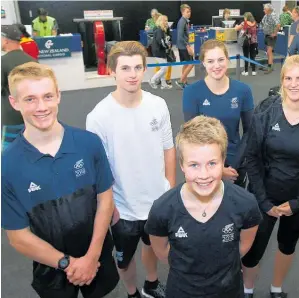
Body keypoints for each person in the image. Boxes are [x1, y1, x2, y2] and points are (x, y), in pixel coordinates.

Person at [1, 62, 119, 298]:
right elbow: (17, 236)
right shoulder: (8, 165)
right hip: (51, 271)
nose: (41, 107)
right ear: (14, 103)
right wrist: (67, 264)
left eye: (47, 96)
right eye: (30, 99)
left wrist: (92, 257)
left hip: (98, 258)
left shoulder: (89, 143)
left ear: (58, 97)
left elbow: (106, 201)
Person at [86, 41, 176, 298]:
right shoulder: (98, 116)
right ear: (112, 71)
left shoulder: (158, 104)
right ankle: (132, 292)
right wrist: (110, 206)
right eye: (125, 68)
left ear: (145, 69)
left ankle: (151, 283)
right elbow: (98, 168)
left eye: (138, 67)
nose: (132, 74)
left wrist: (168, 188)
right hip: (122, 208)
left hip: (157, 201)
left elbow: (168, 149)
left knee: (152, 246)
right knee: (124, 260)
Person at [242, 55, 299, 298]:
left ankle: (276, 289)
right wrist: (264, 202)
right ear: (282, 80)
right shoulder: (266, 110)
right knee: (253, 249)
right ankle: (247, 290)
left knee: (287, 244)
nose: (294, 84)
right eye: (288, 78)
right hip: (263, 197)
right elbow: (252, 157)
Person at [145, 115, 262, 298]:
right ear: (182, 165)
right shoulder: (163, 209)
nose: (204, 174)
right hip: (182, 291)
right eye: (194, 165)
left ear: (223, 161)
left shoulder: (245, 204)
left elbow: (243, 246)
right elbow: (163, 252)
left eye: (212, 163)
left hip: (229, 291)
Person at [182, 39, 254, 187]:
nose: (216, 66)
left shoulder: (243, 90)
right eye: (210, 61)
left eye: (221, 60)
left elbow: (250, 132)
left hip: (235, 165)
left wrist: (235, 165)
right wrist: (219, 170)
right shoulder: (191, 92)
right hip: (203, 167)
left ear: (228, 60)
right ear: (203, 63)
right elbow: (191, 137)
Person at [1, 24, 36, 150]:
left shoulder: (2, 62)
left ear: (5, 40)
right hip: (33, 115)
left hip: (12, 118)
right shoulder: (32, 61)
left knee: (8, 153)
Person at [149, 15, 173, 90]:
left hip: (160, 51)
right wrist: (167, 46)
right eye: (165, 20)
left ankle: (163, 84)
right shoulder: (159, 30)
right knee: (164, 68)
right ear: (161, 21)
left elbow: (166, 40)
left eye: (167, 20)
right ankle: (152, 80)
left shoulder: (163, 30)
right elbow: (161, 41)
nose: (166, 22)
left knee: (164, 68)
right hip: (158, 51)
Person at [175, 4, 194, 89]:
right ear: (182, 12)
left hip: (182, 45)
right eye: (187, 11)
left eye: (189, 11)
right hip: (183, 46)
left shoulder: (184, 21)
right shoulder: (182, 21)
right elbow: (180, 36)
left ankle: (184, 82)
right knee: (191, 63)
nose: (189, 13)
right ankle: (180, 81)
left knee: (186, 64)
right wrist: (188, 46)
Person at [235, 12, 258, 76]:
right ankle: (253, 71)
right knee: (253, 56)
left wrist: (236, 26)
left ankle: (246, 71)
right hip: (253, 41)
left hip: (246, 41)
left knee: (246, 56)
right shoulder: (255, 23)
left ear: (246, 17)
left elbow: (237, 29)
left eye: (244, 17)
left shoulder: (244, 23)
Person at [260, 3, 280, 74]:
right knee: (268, 52)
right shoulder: (266, 15)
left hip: (271, 36)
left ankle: (270, 67)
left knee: (269, 52)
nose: (263, 10)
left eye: (265, 9)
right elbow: (262, 22)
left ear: (268, 9)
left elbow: (278, 24)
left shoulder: (273, 15)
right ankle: (269, 66)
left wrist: (275, 33)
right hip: (267, 35)